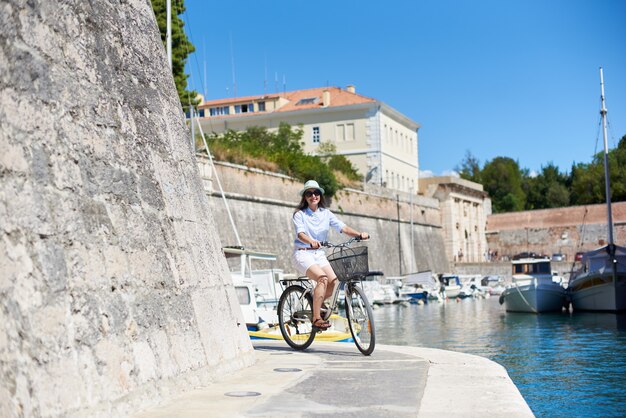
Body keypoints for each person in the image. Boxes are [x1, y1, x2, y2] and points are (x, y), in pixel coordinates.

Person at [291, 180, 369, 330]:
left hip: (319, 254)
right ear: (305, 197)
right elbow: (300, 234)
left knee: (334, 282)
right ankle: (316, 318)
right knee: (322, 278)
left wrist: (359, 234)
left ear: (320, 195)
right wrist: (311, 241)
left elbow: (343, 228)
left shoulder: (326, 214)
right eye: (309, 193)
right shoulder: (299, 214)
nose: (313, 196)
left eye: (316, 193)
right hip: (303, 253)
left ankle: (316, 304)